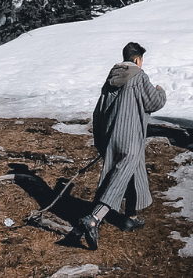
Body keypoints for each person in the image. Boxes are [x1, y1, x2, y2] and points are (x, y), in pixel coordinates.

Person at [75, 42, 167, 250]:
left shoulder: (111, 78)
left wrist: (102, 140)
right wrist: (161, 90)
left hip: (113, 137)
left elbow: (98, 112)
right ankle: (93, 219)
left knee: (132, 175)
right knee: (117, 179)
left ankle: (130, 218)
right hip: (131, 138)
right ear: (137, 59)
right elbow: (154, 103)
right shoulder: (139, 76)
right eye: (142, 60)